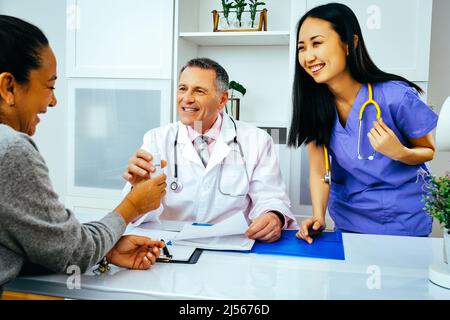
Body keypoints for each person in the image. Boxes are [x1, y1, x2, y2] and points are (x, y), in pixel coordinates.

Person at [0, 15, 168, 293]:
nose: (53, 101)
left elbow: (26, 242)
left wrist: (105, 248)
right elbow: (73, 251)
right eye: (50, 86)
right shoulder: (11, 149)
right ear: (8, 86)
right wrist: (133, 205)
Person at [288, 3, 438, 243]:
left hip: (404, 221)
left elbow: (428, 151)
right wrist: (318, 215)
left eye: (317, 43)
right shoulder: (314, 105)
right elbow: (320, 170)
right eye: (302, 48)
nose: (308, 56)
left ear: (350, 43)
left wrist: (399, 152)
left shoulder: (396, 96)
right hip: (349, 222)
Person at [123, 58, 298, 243]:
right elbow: (133, 212)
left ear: (222, 99)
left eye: (199, 91)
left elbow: (270, 197)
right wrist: (138, 190)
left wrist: (273, 216)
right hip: (169, 245)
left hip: (231, 245)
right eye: (183, 88)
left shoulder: (257, 140)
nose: (187, 98)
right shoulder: (156, 139)